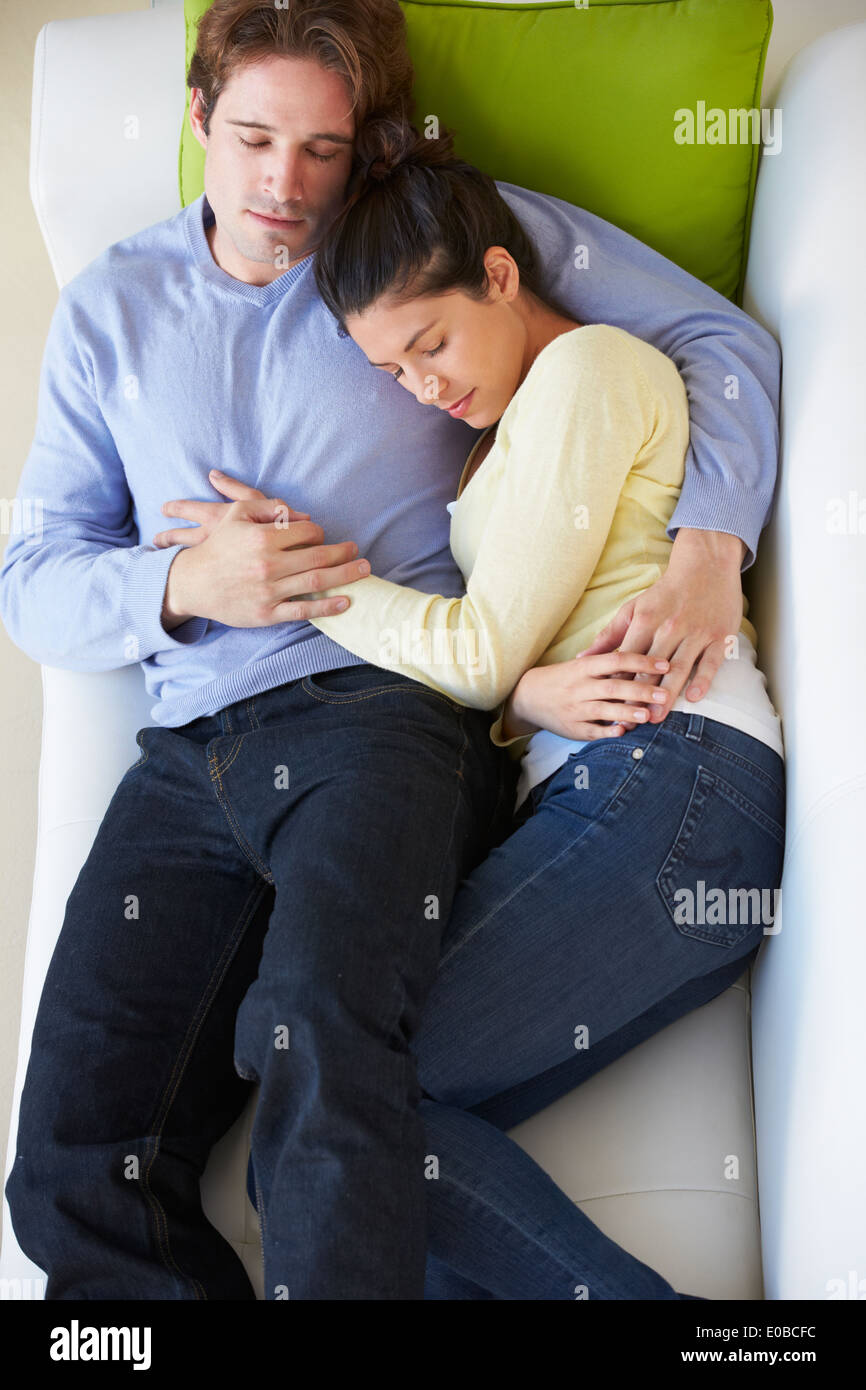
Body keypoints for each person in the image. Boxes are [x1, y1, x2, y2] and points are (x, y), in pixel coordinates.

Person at [1, 0, 781, 1300]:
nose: (285, 182)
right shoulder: (107, 312)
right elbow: (30, 582)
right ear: (198, 124)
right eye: (253, 139)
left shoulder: (434, 239)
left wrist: (712, 547)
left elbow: (715, 343)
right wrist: (188, 577)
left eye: (323, 146)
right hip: (190, 750)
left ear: (367, 143)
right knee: (72, 1167)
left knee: (334, 1085)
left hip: (393, 719)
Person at [191, 118, 785, 1299]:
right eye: (394, 371)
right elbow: (501, 667)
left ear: (501, 277)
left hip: (669, 782)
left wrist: (305, 583)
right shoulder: (510, 432)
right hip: (626, 799)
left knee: (331, 1101)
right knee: (324, 1157)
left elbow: (470, 652)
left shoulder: (588, 370)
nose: (425, 384)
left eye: (432, 341)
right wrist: (517, 698)